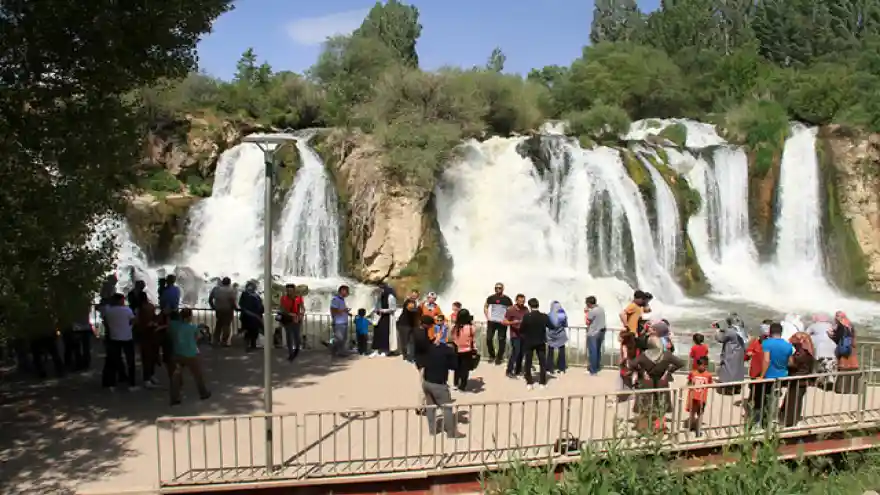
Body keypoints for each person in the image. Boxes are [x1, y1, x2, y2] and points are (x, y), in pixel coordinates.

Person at [630, 335, 684, 433]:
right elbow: (681, 363)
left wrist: (642, 371)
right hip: (661, 381)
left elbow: (631, 364)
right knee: (661, 405)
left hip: (647, 382)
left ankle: (644, 428)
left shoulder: (644, 355)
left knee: (645, 405)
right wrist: (668, 371)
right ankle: (659, 428)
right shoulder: (667, 355)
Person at [420, 332, 462, 438]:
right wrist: (454, 353)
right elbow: (454, 366)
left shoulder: (430, 347)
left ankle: (432, 430)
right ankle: (451, 432)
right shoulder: (448, 351)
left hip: (426, 382)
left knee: (431, 407)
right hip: (439, 385)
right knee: (447, 408)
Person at [753, 322, 793, 427]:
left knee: (763, 401)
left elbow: (766, 360)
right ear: (781, 332)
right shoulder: (788, 345)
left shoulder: (767, 343)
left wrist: (761, 376)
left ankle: (761, 423)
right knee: (775, 400)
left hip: (768, 376)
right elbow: (791, 362)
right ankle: (772, 422)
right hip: (782, 376)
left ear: (770, 332)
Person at [168, 308, 211, 406]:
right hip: (191, 354)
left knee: (176, 376)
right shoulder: (192, 327)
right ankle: (203, 393)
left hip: (178, 353)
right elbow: (198, 337)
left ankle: (175, 398)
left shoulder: (174, 326)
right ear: (189, 317)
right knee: (197, 375)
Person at [101, 293, 137, 391]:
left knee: (113, 360)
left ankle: (112, 384)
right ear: (120, 300)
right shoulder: (127, 310)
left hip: (114, 338)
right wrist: (129, 327)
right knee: (130, 361)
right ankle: (132, 383)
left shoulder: (109, 312)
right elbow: (134, 321)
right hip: (127, 337)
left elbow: (106, 323)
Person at [779, 332, 815, 427]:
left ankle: (790, 422)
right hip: (800, 380)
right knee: (792, 400)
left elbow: (793, 365)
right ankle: (788, 419)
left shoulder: (802, 354)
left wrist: (788, 358)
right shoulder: (807, 353)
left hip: (798, 380)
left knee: (793, 402)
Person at [519, 298, 550, 390]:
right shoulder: (544, 316)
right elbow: (551, 326)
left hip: (529, 342)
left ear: (530, 306)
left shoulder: (527, 316)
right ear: (538, 305)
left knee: (528, 362)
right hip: (541, 342)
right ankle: (543, 382)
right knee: (542, 362)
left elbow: (522, 329)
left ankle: (529, 382)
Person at [715, 314, 747, 394]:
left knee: (728, 371)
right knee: (737, 371)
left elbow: (720, 338)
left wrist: (717, 331)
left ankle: (728, 389)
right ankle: (737, 388)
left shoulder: (730, 331)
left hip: (730, 354)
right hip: (739, 354)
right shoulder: (741, 331)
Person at [484, 283, 513, 366]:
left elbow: (511, 310)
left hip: (502, 322)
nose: (498, 289)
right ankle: (492, 355)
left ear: (503, 289)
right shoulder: (491, 298)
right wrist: (487, 316)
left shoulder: (507, 299)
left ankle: (499, 357)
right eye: (496, 288)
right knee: (489, 339)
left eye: (499, 288)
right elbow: (486, 306)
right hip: (492, 321)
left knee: (501, 340)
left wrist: (507, 319)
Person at [806, 313, 837, 389]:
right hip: (832, 346)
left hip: (820, 347)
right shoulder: (829, 325)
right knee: (829, 365)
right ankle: (829, 380)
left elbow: (805, 334)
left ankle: (817, 381)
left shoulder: (813, 325)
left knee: (818, 365)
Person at [136, 296, 161, 388]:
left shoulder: (146, 310)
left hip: (152, 336)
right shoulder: (140, 312)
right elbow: (139, 325)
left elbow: (155, 319)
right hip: (146, 337)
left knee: (152, 357)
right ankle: (147, 378)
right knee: (147, 358)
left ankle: (151, 375)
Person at [833, 310, 859, 394]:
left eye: (837, 316)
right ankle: (854, 389)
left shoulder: (841, 326)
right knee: (852, 368)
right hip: (851, 349)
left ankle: (842, 389)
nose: (836, 318)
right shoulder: (850, 324)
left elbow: (838, 338)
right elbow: (854, 336)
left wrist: (831, 335)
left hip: (844, 349)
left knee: (844, 368)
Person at [451, 308, 477, 392]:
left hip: (457, 349)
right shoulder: (470, 328)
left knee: (457, 368)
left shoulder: (455, 327)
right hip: (467, 350)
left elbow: (453, 338)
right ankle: (462, 386)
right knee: (465, 369)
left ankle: (455, 383)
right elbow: (473, 338)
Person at [686, 356, 713, 436]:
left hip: (702, 399)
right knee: (692, 413)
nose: (702, 367)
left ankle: (698, 430)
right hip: (693, 397)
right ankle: (690, 427)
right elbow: (689, 382)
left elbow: (710, 384)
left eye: (704, 365)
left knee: (700, 414)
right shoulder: (693, 373)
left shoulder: (708, 375)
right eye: (701, 365)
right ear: (698, 365)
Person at [503, 294, 528, 378]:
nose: (522, 303)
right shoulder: (511, 309)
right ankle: (509, 370)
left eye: (523, 301)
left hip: (524, 335)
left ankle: (518, 370)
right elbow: (504, 321)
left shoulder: (526, 309)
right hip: (515, 335)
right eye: (520, 301)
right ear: (516, 301)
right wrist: (513, 323)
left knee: (522, 353)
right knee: (515, 352)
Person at [209, 277, 238, 347]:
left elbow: (210, 299)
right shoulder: (231, 290)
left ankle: (215, 341)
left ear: (222, 282)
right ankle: (224, 342)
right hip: (228, 310)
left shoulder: (216, 289)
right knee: (226, 326)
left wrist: (213, 307)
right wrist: (236, 308)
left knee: (219, 325)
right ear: (229, 283)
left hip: (218, 310)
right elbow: (232, 301)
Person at [279, 283, 305, 361]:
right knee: (289, 336)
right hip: (287, 320)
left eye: (291, 290)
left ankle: (297, 348)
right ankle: (291, 353)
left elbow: (303, 308)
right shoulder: (283, 298)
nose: (289, 292)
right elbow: (282, 309)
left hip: (297, 319)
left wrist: (301, 315)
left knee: (296, 336)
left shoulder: (299, 298)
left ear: (294, 290)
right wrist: (290, 315)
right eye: (287, 290)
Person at [371, 283, 397, 357]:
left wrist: (383, 310)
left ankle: (385, 350)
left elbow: (393, 308)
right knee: (377, 333)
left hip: (387, 317)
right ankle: (376, 350)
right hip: (378, 317)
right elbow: (376, 306)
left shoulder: (390, 296)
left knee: (385, 333)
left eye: (381, 289)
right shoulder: (378, 297)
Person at [238, 282, 264, 352]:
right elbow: (242, 305)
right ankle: (247, 346)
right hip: (247, 317)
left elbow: (260, 305)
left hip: (256, 317)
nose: (251, 288)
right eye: (249, 287)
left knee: (255, 331)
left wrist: (261, 311)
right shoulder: (244, 294)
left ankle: (253, 345)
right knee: (248, 331)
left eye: (252, 287)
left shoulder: (256, 295)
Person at [396, 289, 420, 363]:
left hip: (410, 325)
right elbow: (410, 308)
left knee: (412, 341)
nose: (414, 296)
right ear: (410, 294)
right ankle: (405, 356)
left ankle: (411, 357)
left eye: (415, 295)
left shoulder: (414, 302)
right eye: (413, 295)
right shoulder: (408, 301)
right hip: (403, 324)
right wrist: (417, 310)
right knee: (404, 341)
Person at [584, 296, 606, 376]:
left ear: (589, 303)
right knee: (597, 350)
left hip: (593, 333)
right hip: (601, 332)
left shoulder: (592, 311)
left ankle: (593, 370)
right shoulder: (601, 309)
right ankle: (596, 367)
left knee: (592, 352)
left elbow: (587, 322)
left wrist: (586, 312)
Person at [546, 301, 568, 374]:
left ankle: (550, 369)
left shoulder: (549, 315)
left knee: (550, 352)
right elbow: (565, 325)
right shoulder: (562, 315)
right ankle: (562, 368)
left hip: (551, 335)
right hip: (561, 335)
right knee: (561, 352)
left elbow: (547, 325)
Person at [329, 285, 351, 357]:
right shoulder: (335, 299)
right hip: (338, 322)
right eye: (347, 291)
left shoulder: (342, 300)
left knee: (343, 339)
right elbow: (333, 310)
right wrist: (343, 310)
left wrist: (347, 312)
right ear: (342, 291)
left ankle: (340, 352)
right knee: (339, 339)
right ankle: (333, 350)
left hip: (343, 322)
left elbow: (340, 310)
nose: (348, 293)